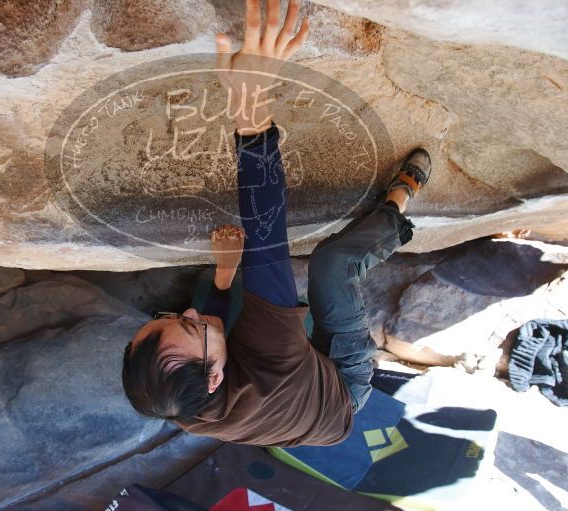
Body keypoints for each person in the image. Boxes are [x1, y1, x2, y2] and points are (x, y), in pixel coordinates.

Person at [122, 0, 431, 447]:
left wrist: (225, 277)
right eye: (191, 326)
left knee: (225, 288)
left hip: (292, 403)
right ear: (213, 379)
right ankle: (399, 202)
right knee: (330, 265)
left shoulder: (174, 399)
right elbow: (265, 232)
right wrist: (250, 103)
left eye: (170, 318)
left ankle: (234, 296)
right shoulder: (270, 358)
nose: (189, 313)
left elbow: (201, 335)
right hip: (342, 391)